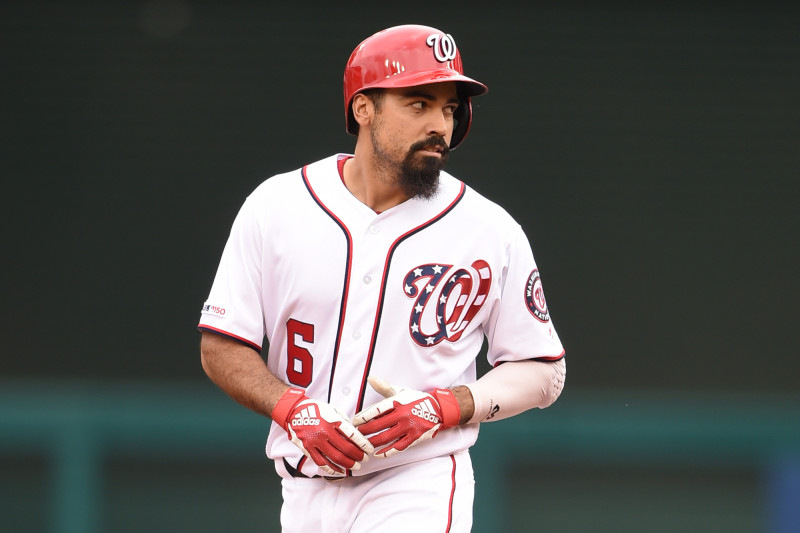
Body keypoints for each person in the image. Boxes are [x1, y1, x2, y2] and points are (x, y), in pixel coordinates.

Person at [198, 24, 566, 533]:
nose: (440, 123)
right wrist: (290, 409)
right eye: (419, 103)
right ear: (363, 108)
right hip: (301, 489)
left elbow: (545, 371)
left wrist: (447, 407)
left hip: (417, 481)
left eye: (449, 108)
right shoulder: (275, 207)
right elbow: (221, 345)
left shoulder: (488, 230)